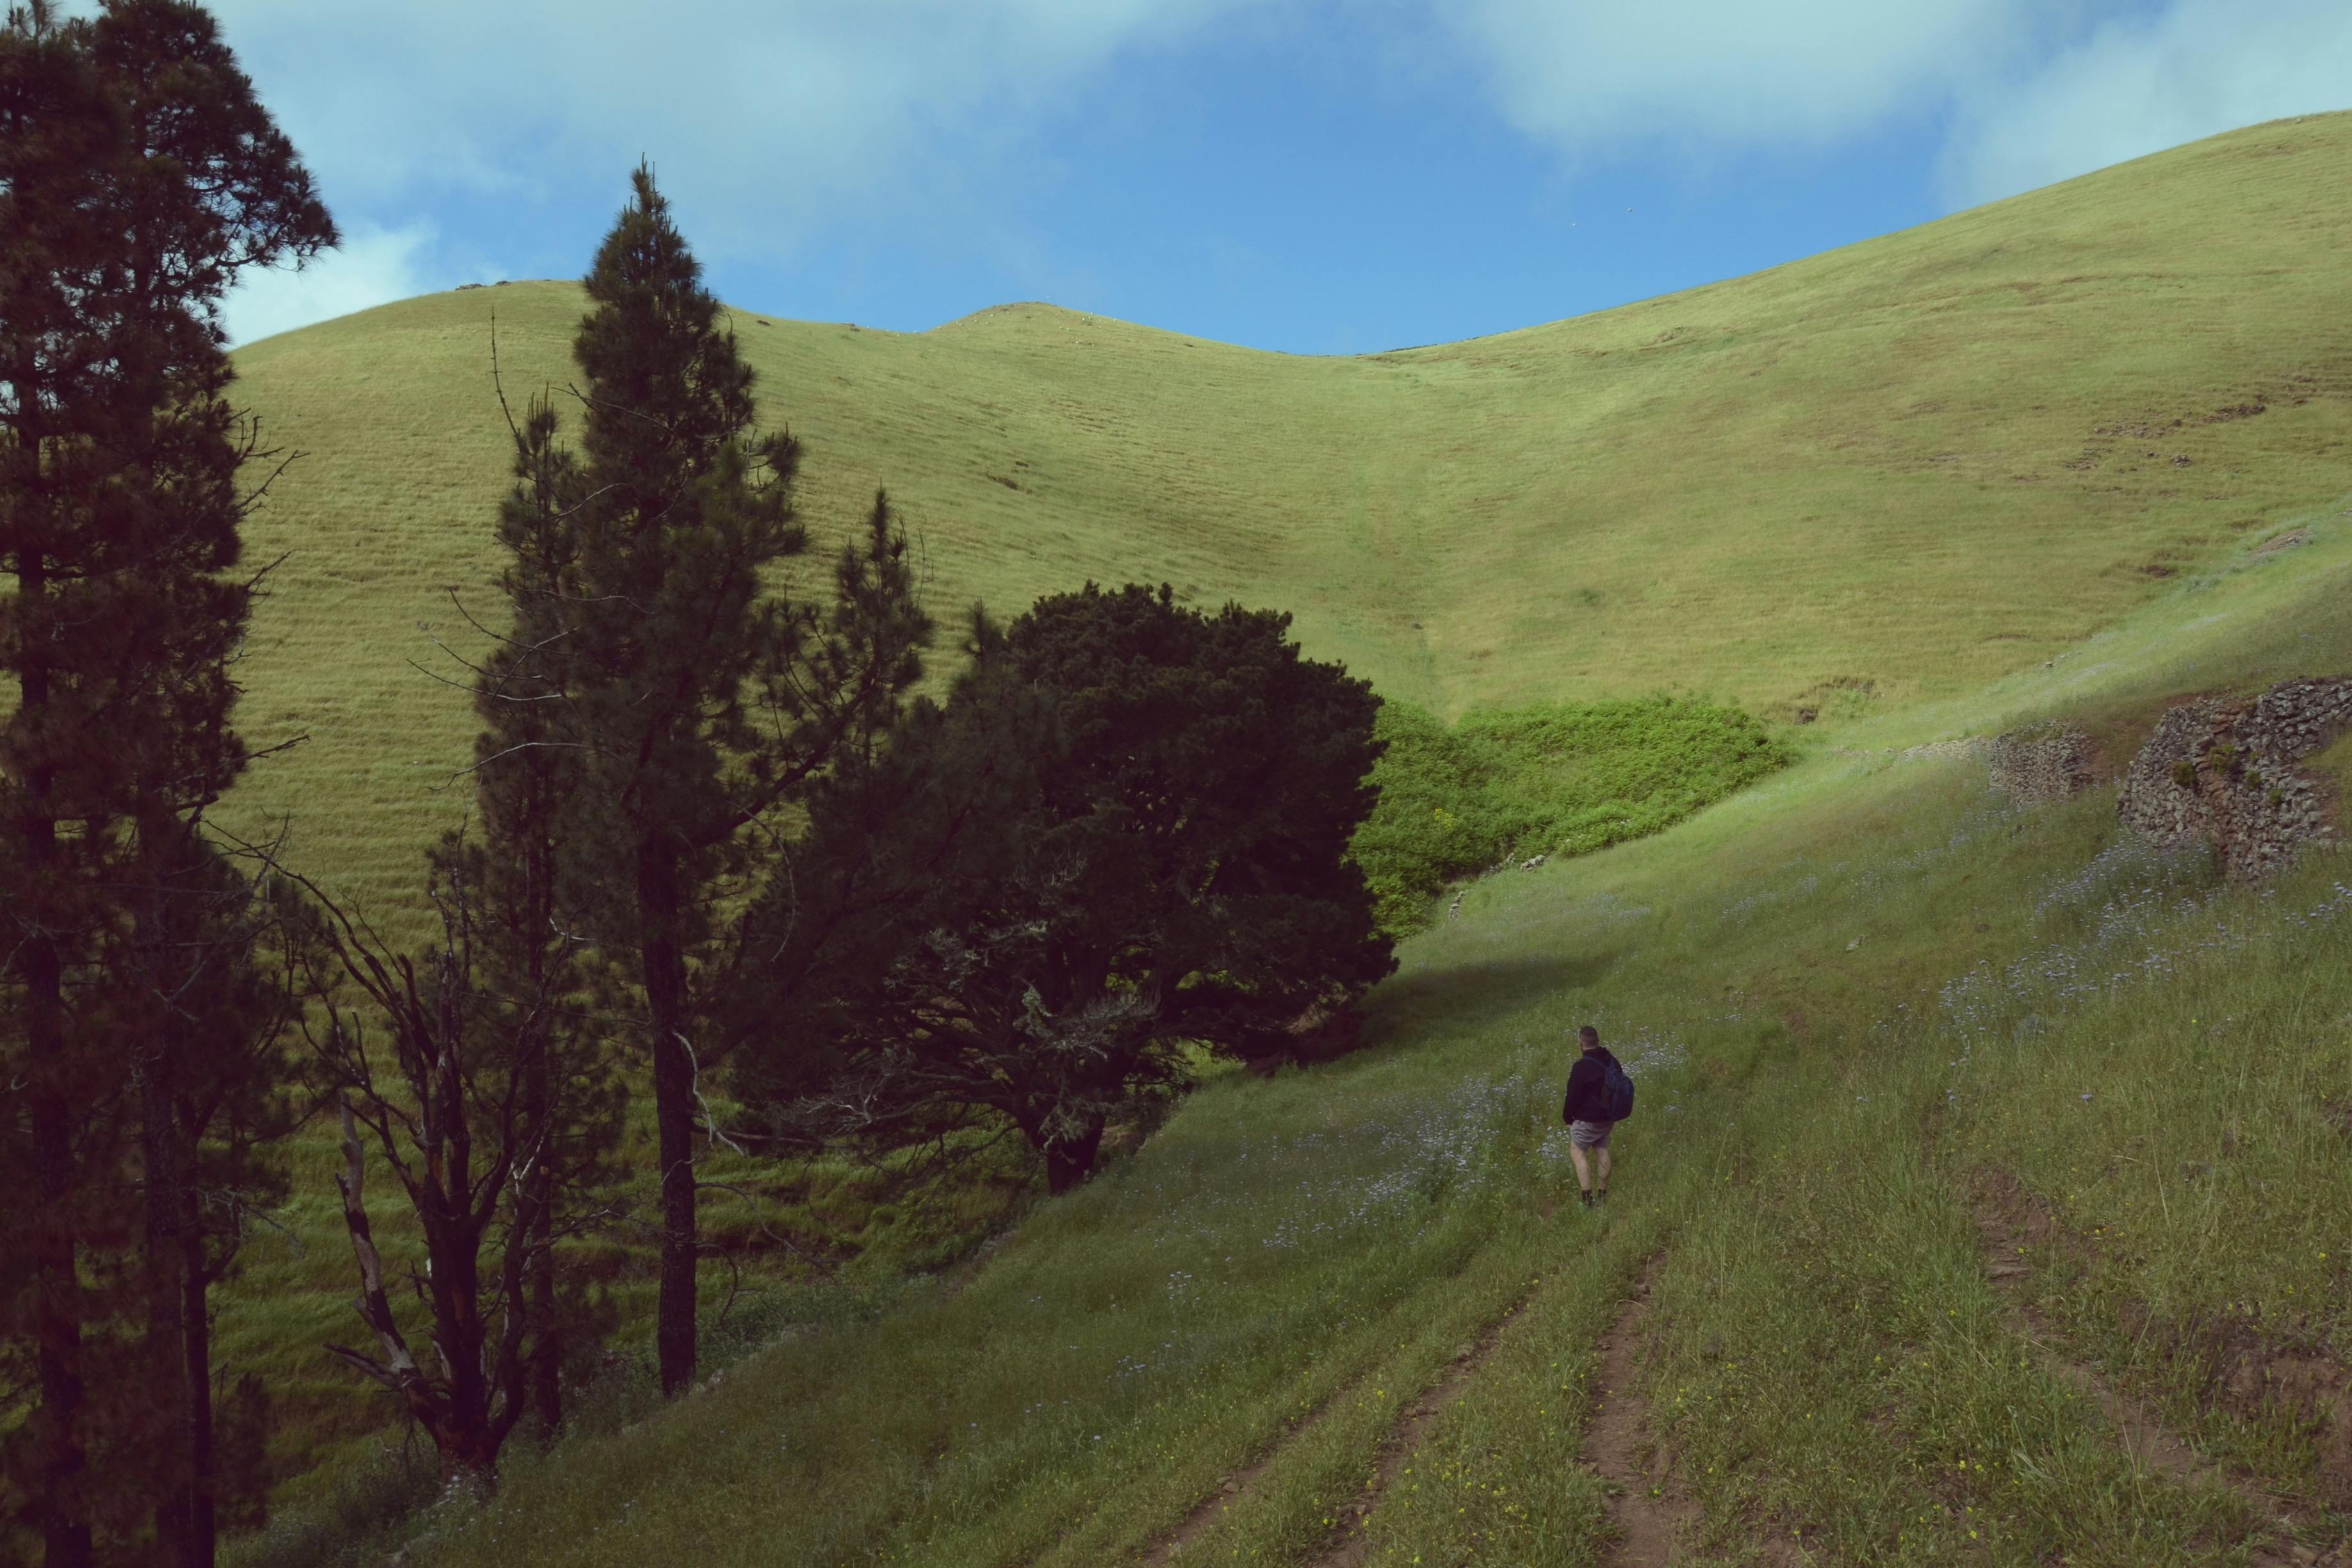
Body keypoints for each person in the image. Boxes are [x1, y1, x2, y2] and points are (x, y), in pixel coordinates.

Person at [1560, 1024, 1623, 1208]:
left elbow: (1572, 1095)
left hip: (1588, 1120)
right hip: (1608, 1118)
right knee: (1601, 1150)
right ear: (1597, 1041)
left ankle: (1587, 1203)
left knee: (1578, 1152)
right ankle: (1602, 1195)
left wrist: (1567, 1118)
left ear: (1581, 1044)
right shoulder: (1612, 1061)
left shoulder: (1581, 1066)